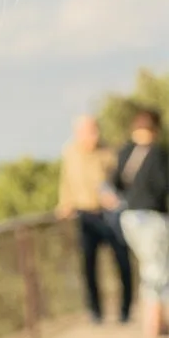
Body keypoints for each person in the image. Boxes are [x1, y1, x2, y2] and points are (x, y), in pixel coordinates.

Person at [56, 115, 133, 324]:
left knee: (122, 262)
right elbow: (66, 181)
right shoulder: (70, 153)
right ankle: (95, 312)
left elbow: (122, 182)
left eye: (92, 130)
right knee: (88, 265)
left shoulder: (109, 153)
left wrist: (115, 197)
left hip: (110, 215)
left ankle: (126, 310)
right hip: (85, 215)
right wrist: (65, 203)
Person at [113, 107, 169, 338]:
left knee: (148, 267)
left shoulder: (126, 152)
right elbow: (163, 185)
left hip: (129, 218)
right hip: (153, 217)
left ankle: (153, 322)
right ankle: (155, 323)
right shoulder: (158, 154)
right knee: (158, 269)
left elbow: (116, 182)